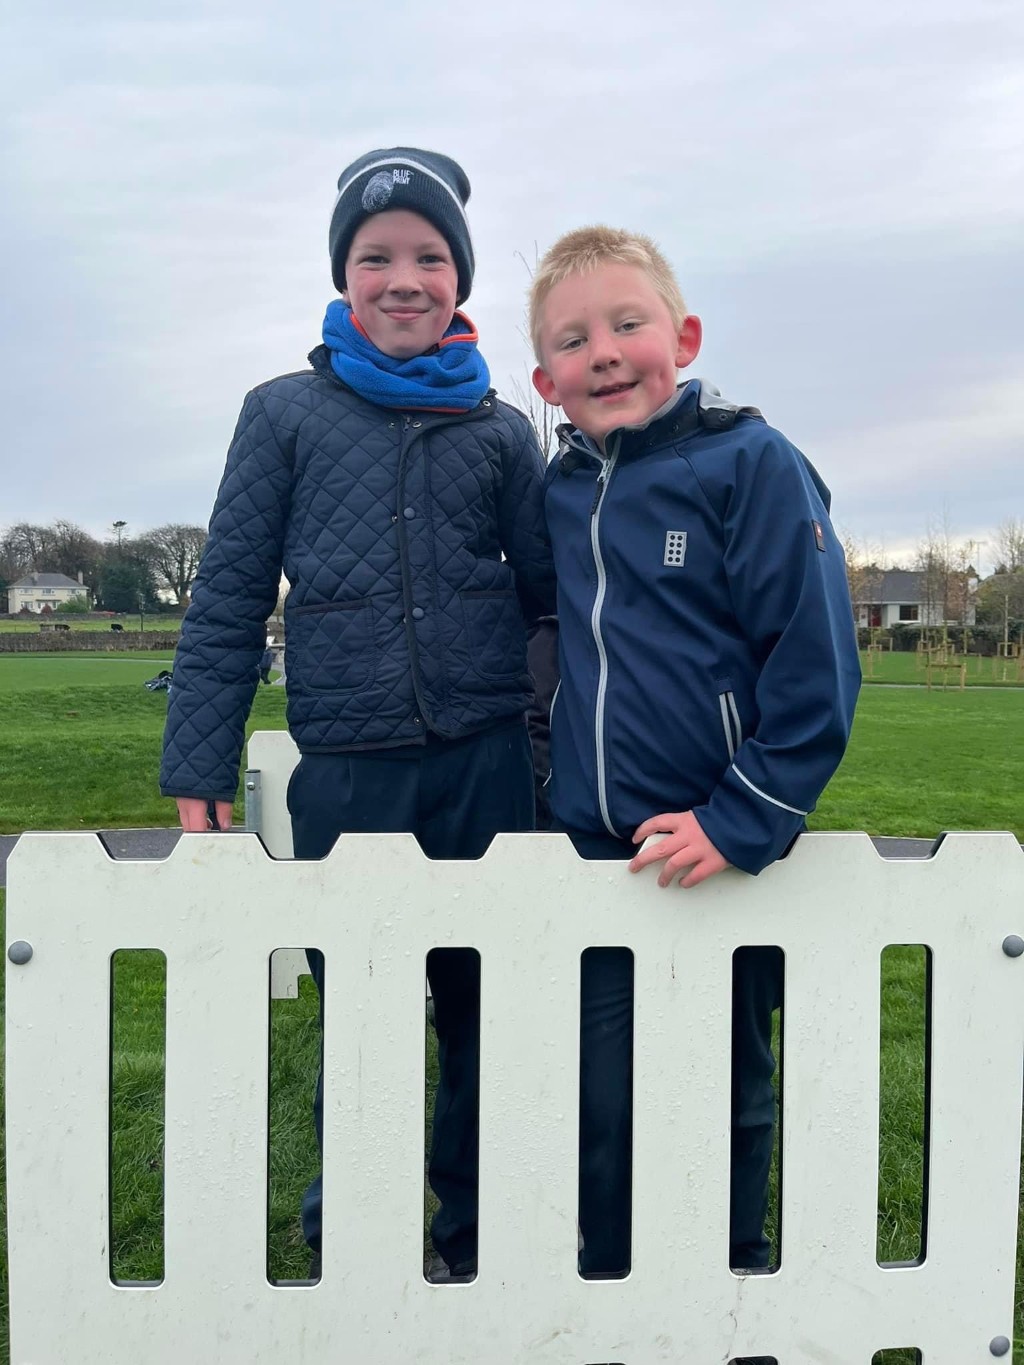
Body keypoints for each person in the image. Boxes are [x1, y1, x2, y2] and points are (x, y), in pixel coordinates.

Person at [160, 147, 555, 1281]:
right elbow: (229, 595)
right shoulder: (281, 414)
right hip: (349, 768)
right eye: (376, 256)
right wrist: (199, 760)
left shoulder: (499, 427)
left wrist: (541, 741)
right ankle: (355, 1237)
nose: (403, 279)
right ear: (343, 275)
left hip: (486, 764)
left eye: (430, 257)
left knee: (485, 1012)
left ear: (459, 279)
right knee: (366, 1011)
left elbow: (549, 602)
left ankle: (473, 1234)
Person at [529, 226, 860, 1304]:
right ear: (545, 382)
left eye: (627, 324)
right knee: (600, 1091)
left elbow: (814, 664)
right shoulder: (559, 491)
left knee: (724, 1082)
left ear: (685, 337)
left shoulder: (750, 465)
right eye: (572, 340)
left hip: (716, 845)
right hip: (596, 851)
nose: (604, 352)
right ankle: (608, 1288)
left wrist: (737, 818)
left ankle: (729, 1293)